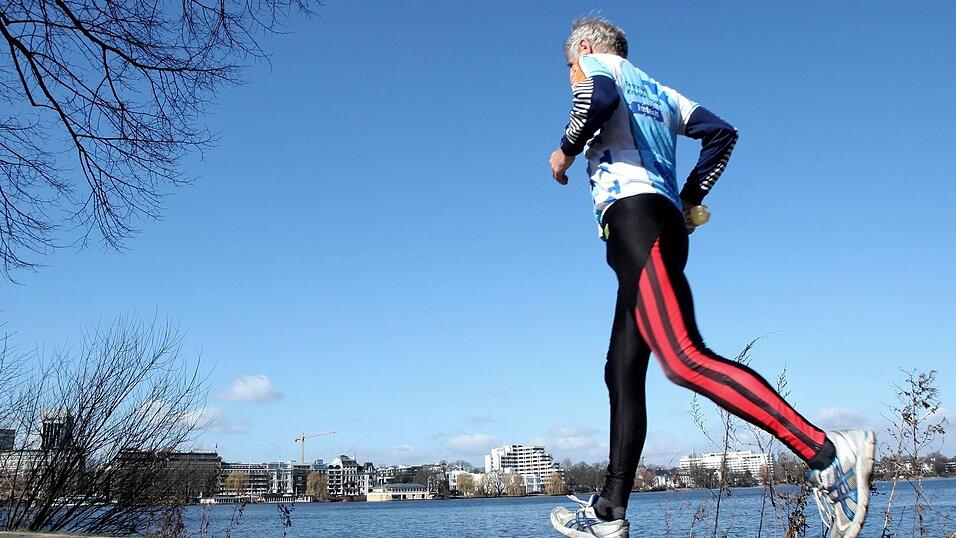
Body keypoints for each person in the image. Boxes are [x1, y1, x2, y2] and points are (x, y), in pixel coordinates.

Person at [547, 17, 875, 538]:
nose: (571, 77)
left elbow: (599, 102)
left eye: (568, 67)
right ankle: (609, 509)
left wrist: (565, 150)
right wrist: (690, 198)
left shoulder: (596, 66)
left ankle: (826, 450)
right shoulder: (662, 92)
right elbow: (722, 134)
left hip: (636, 223)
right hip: (658, 227)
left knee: (680, 358)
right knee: (622, 368)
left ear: (583, 48)